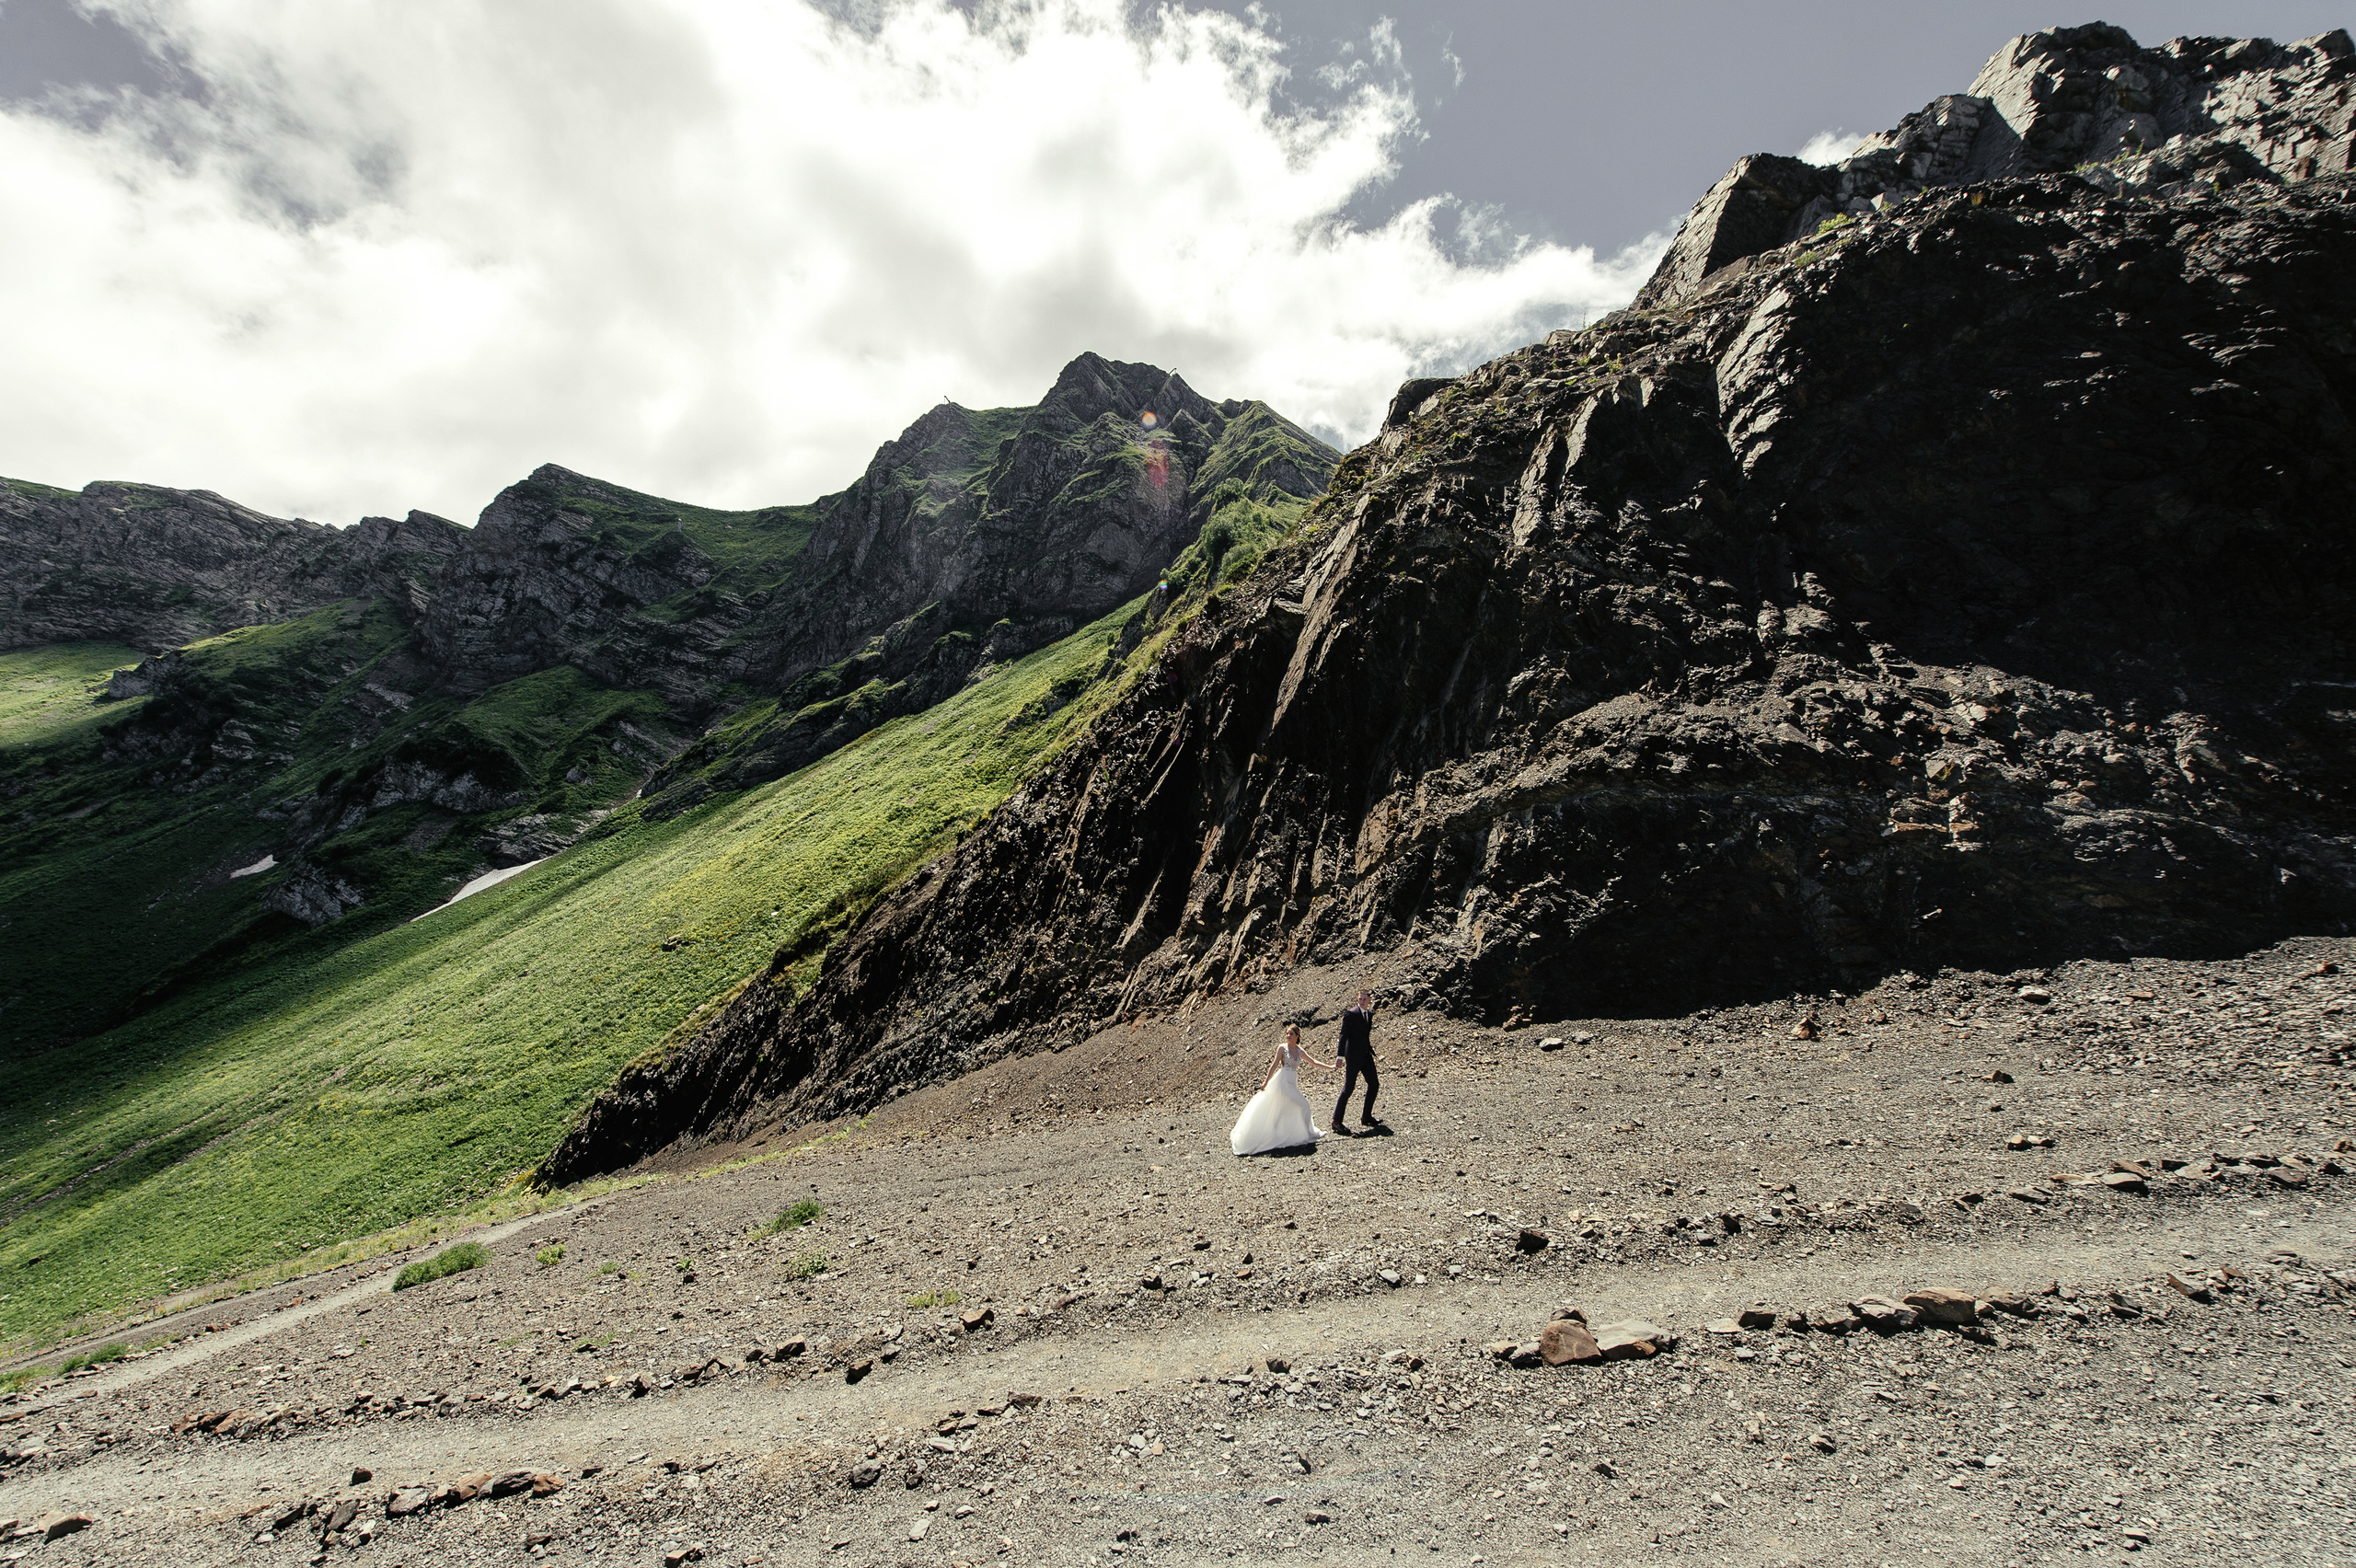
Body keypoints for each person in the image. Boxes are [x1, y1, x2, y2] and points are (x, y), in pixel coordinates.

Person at [1230, 1023, 1334, 1156]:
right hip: (1283, 1081)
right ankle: (1309, 1133)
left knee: (1283, 1109)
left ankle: (1277, 1132)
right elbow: (1274, 1065)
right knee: (1304, 1104)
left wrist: (1330, 1067)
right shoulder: (1282, 1048)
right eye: (1287, 1034)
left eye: (1291, 1034)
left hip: (1292, 1080)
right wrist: (1265, 1082)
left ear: (1297, 1036)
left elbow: (1313, 1062)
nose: (1288, 1036)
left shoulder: (1300, 1050)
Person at [1332, 987, 1380, 1136]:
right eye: (1360, 998)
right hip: (1353, 1056)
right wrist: (1340, 1057)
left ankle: (1366, 1116)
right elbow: (1343, 1035)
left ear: (1369, 1000)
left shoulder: (1369, 1014)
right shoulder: (1351, 1014)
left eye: (1365, 999)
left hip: (1366, 1055)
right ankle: (1336, 1121)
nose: (1362, 1001)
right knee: (1349, 1088)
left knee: (1374, 1084)